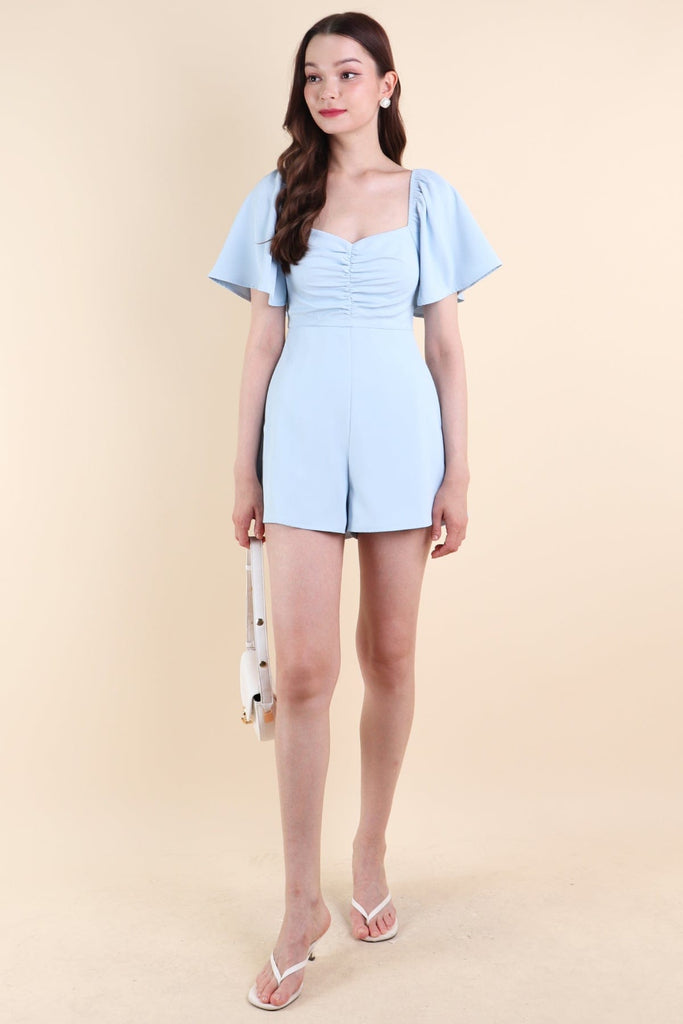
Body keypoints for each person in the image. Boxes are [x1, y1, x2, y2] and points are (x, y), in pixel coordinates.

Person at [208, 11, 502, 1011]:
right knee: (301, 673)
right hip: (295, 441)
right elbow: (261, 344)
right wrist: (242, 471)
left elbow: (446, 351)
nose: (327, 90)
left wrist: (458, 475)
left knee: (389, 656)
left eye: (346, 72)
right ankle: (300, 902)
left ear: (385, 84)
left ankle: (369, 846)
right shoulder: (277, 194)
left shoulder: (427, 198)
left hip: (398, 440)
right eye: (312, 76)